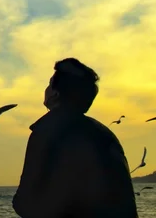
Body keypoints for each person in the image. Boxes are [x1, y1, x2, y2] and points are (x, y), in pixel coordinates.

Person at [12, 57, 139, 217]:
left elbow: (25, 202)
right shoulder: (105, 135)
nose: (46, 89)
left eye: (49, 84)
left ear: (56, 94)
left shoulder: (48, 130)